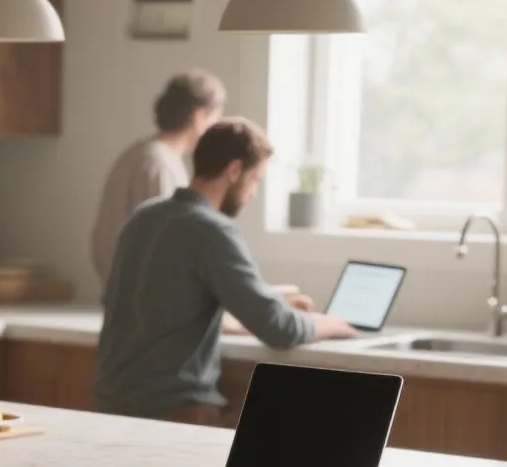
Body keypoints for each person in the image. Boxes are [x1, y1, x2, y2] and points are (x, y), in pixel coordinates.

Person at [94, 118, 359, 424]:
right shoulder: (212, 230)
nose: (254, 193)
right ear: (234, 171)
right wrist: (327, 323)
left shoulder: (144, 217)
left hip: (111, 402)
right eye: (256, 179)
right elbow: (279, 329)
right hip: (172, 409)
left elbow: (162, 304)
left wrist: (253, 310)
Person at [90, 70, 227, 287]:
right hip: (143, 299)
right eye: (214, 120)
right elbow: (166, 245)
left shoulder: (142, 154)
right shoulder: (158, 164)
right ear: (200, 117)